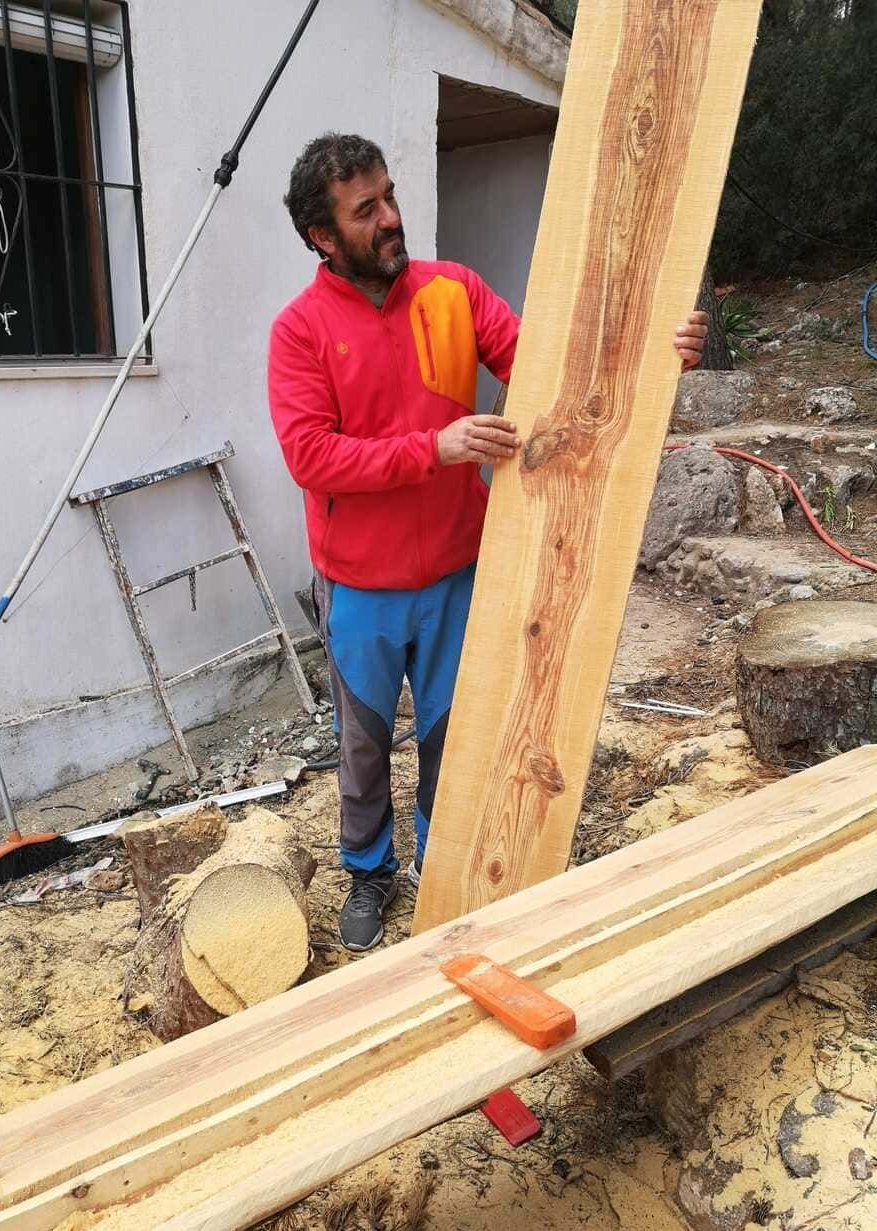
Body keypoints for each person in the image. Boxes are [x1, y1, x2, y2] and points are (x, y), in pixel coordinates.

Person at [268, 133, 708, 952]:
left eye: (390, 197)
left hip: (457, 573)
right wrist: (433, 448)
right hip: (359, 586)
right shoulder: (298, 332)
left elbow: (561, 372)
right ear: (322, 238)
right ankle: (369, 871)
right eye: (366, 211)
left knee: (452, 735)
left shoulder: (456, 292)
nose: (392, 219)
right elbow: (310, 455)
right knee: (363, 747)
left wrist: (661, 352)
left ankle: (444, 867)